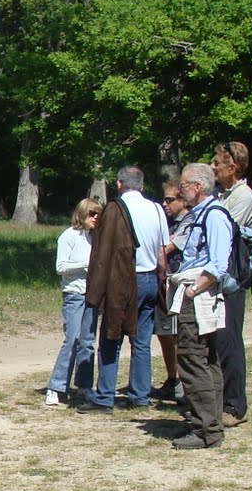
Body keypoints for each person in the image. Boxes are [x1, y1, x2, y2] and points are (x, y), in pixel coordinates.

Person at [80, 166, 169, 413]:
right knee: (141, 342)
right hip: (150, 278)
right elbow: (163, 253)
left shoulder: (113, 210)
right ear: (141, 185)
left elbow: (102, 252)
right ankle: (140, 395)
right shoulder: (156, 209)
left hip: (121, 282)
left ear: (119, 184)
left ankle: (105, 396)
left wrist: (96, 288)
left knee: (111, 338)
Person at [167, 163, 233, 448]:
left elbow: (218, 263)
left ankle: (206, 430)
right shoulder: (201, 214)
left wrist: (193, 290)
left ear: (197, 186)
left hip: (200, 297)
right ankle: (210, 424)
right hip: (198, 294)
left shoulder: (215, 216)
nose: (180, 190)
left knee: (194, 359)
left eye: (183, 185)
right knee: (206, 359)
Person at [212, 141, 252, 428]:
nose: (212, 167)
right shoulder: (224, 194)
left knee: (230, 341)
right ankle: (219, 401)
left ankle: (235, 406)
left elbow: (223, 231)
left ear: (232, 167)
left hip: (233, 281)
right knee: (219, 341)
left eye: (217, 163)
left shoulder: (243, 197)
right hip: (222, 279)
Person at [45, 198, 102, 407]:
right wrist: (83, 265)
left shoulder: (95, 238)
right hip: (74, 294)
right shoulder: (68, 236)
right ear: (81, 215)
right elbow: (60, 267)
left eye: (98, 215)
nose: (95, 218)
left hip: (91, 295)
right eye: (91, 214)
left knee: (87, 342)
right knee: (72, 339)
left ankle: (85, 386)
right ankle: (56, 386)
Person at [153, 179, 192, 401]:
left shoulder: (189, 222)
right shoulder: (169, 222)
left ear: (182, 200)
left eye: (169, 199)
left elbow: (167, 248)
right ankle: (171, 379)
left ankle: (183, 383)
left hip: (179, 286)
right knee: (164, 333)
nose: (165, 204)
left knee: (177, 335)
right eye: (164, 199)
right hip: (164, 284)